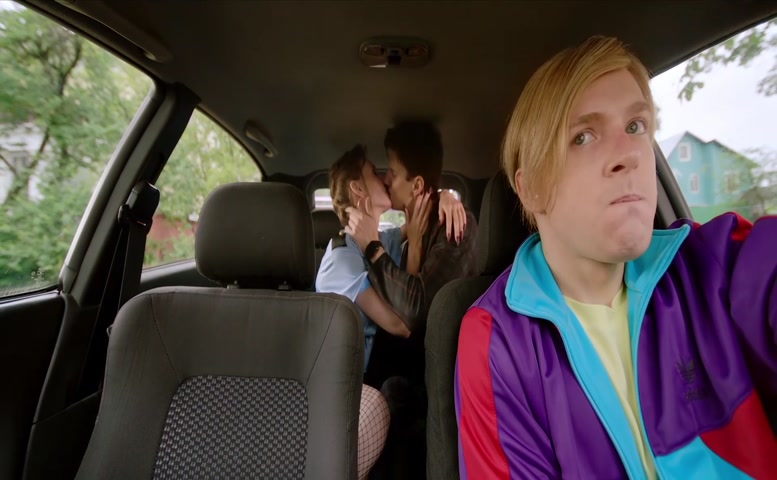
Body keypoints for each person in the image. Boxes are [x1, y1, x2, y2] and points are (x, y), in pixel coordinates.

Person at [455, 35, 777, 479]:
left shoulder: (712, 264)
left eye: (636, 127)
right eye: (583, 137)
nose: (628, 154)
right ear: (530, 189)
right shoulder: (498, 340)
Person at [315, 144, 466, 479]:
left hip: (382, 369)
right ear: (358, 189)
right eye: (374, 172)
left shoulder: (381, 238)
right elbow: (400, 324)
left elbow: (419, 219)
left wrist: (443, 197)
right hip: (351, 387)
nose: (385, 179)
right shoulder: (341, 258)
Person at [346, 121, 479, 479]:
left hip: (431, 376)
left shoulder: (454, 226)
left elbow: (416, 311)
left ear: (417, 185)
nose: (386, 179)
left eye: (392, 171)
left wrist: (372, 248)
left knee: (394, 395)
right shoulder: (404, 232)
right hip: (393, 367)